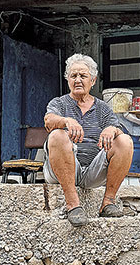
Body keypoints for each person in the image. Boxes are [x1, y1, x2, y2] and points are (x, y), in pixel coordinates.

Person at [43, 54, 133, 227]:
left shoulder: (102, 108)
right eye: (73, 76)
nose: (77, 80)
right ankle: (73, 205)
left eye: (83, 76)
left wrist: (111, 129)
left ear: (92, 81)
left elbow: (117, 128)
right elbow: (49, 121)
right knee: (57, 134)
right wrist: (66, 121)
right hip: (61, 169)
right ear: (68, 80)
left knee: (125, 141)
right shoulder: (59, 103)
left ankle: (108, 203)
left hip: (93, 171)